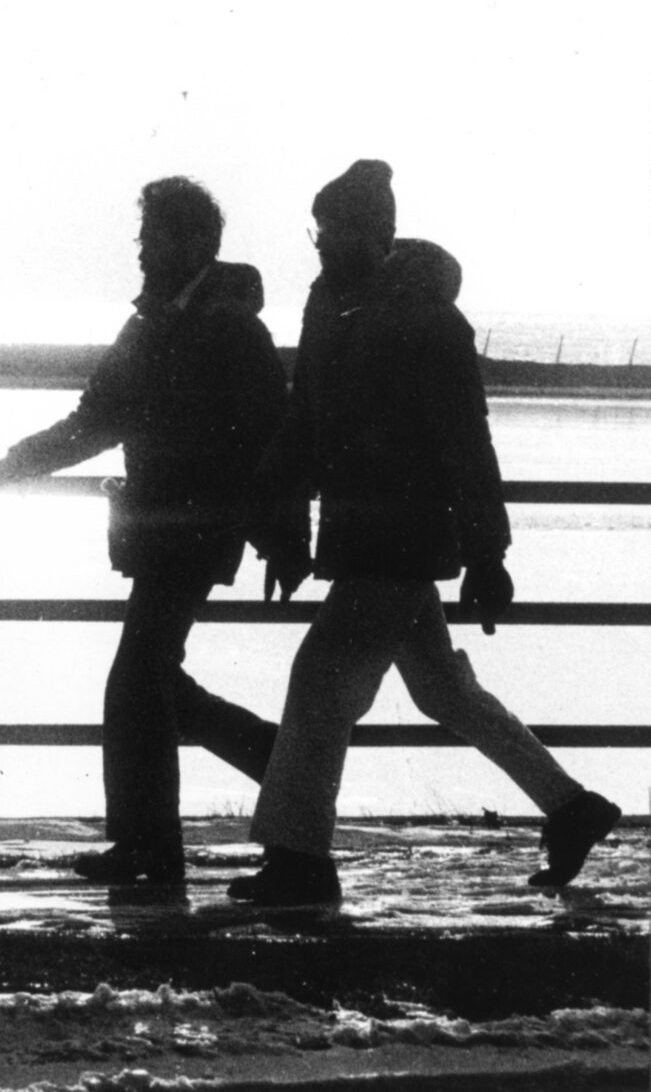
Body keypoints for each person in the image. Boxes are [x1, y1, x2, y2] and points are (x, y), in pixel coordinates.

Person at [229, 160, 621, 906]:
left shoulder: (429, 322)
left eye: (338, 231)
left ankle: (301, 860)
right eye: (320, 231)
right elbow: (304, 428)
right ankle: (571, 807)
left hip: (400, 540)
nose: (325, 245)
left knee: (319, 682)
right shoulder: (330, 311)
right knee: (444, 690)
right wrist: (280, 529)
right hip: (369, 537)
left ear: (380, 233)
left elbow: (465, 443)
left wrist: (488, 553)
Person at [0, 176, 287, 884]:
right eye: (144, 236)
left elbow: (276, 436)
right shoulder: (151, 321)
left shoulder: (231, 327)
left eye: (155, 236)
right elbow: (96, 418)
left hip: (198, 530)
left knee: (136, 682)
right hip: (159, 529)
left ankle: (152, 845)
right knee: (152, 684)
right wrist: (17, 462)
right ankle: (280, 768)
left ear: (194, 243)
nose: (143, 250)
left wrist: (281, 533)